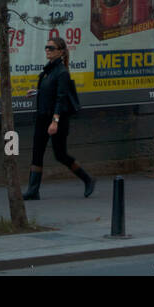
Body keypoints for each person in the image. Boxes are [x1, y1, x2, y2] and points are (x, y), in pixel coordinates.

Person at [23, 35, 94, 200]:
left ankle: (87, 179)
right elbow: (50, 91)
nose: (47, 50)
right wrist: (36, 92)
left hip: (57, 120)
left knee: (60, 154)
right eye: (46, 47)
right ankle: (33, 190)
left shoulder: (62, 72)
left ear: (60, 52)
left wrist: (55, 121)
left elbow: (61, 98)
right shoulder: (49, 70)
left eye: (51, 48)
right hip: (42, 117)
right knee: (37, 152)